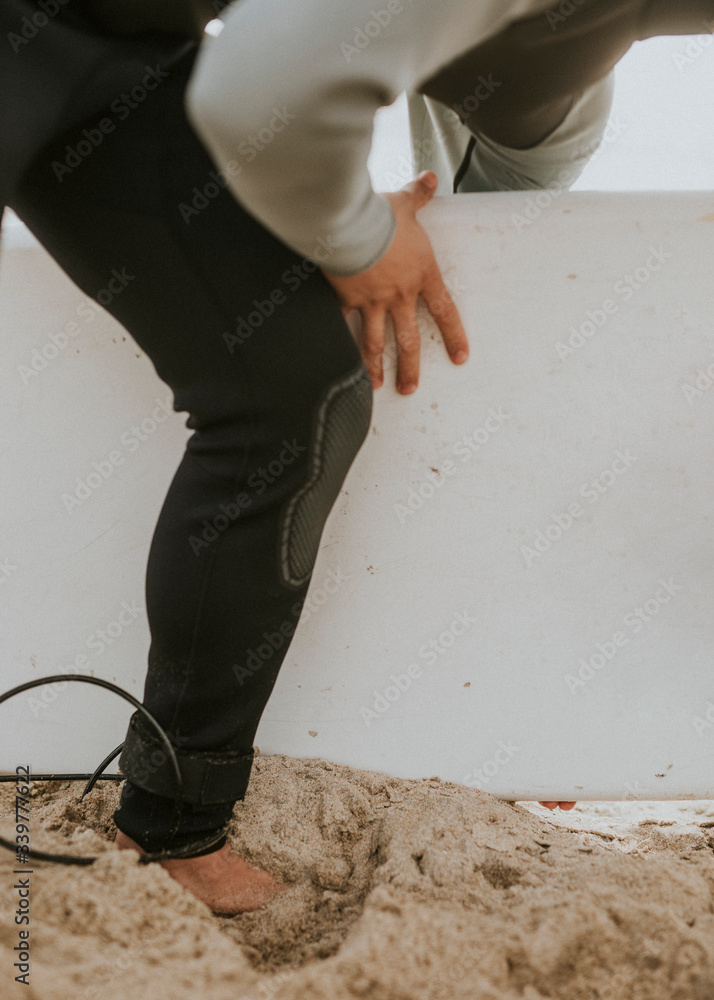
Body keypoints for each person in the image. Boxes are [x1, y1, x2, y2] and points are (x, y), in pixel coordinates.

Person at [4, 0, 711, 915]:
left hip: (137, 44)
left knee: (297, 389)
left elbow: (492, 99)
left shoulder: (574, 54)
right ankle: (174, 824)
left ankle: (173, 819)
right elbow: (267, 81)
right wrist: (359, 238)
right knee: (284, 379)